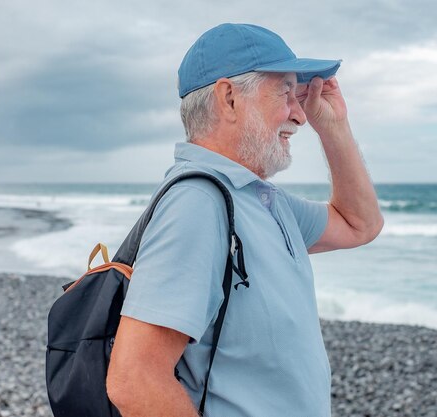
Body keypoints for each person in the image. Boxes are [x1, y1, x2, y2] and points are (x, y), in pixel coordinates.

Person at [106, 23, 383, 416]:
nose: (300, 115)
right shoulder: (199, 204)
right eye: (286, 92)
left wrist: (334, 128)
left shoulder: (261, 200)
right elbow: (134, 379)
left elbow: (359, 224)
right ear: (229, 98)